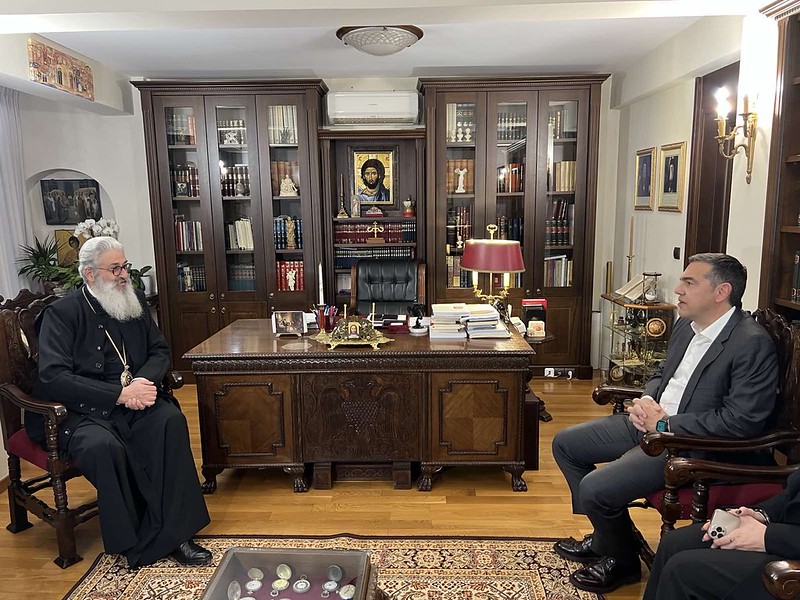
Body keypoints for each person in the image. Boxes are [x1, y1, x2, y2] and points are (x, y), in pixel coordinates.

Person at [552, 253, 779, 594]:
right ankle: (608, 539)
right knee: (566, 444)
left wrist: (665, 424)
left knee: (596, 488)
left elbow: (741, 421)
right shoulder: (686, 326)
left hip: (690, 444)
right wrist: (645, 401)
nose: (678, 289)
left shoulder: (751, 342)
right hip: (654, 423)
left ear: (722, 292)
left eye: (689, 282)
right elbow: (661, 373)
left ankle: (622, 563)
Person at [26, 236, 211, 569]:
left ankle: (178, 534)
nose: (124, 274)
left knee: (169, 421)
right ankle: (135, 543)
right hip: (80, 411)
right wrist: (118, 395)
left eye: (124, 266)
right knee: (104, 446)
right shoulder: (62, 314)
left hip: (133, 398)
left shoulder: (132, 301)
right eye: (115, 269)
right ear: (89, 274)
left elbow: (159, 351)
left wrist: (142, 382)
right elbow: (54, 377)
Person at [643, 467, 800, 600]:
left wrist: (767, 536)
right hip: (787, 530)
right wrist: (761, 514)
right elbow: (792, 492)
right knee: (674, 543)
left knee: (681, 569)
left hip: (790, 562)